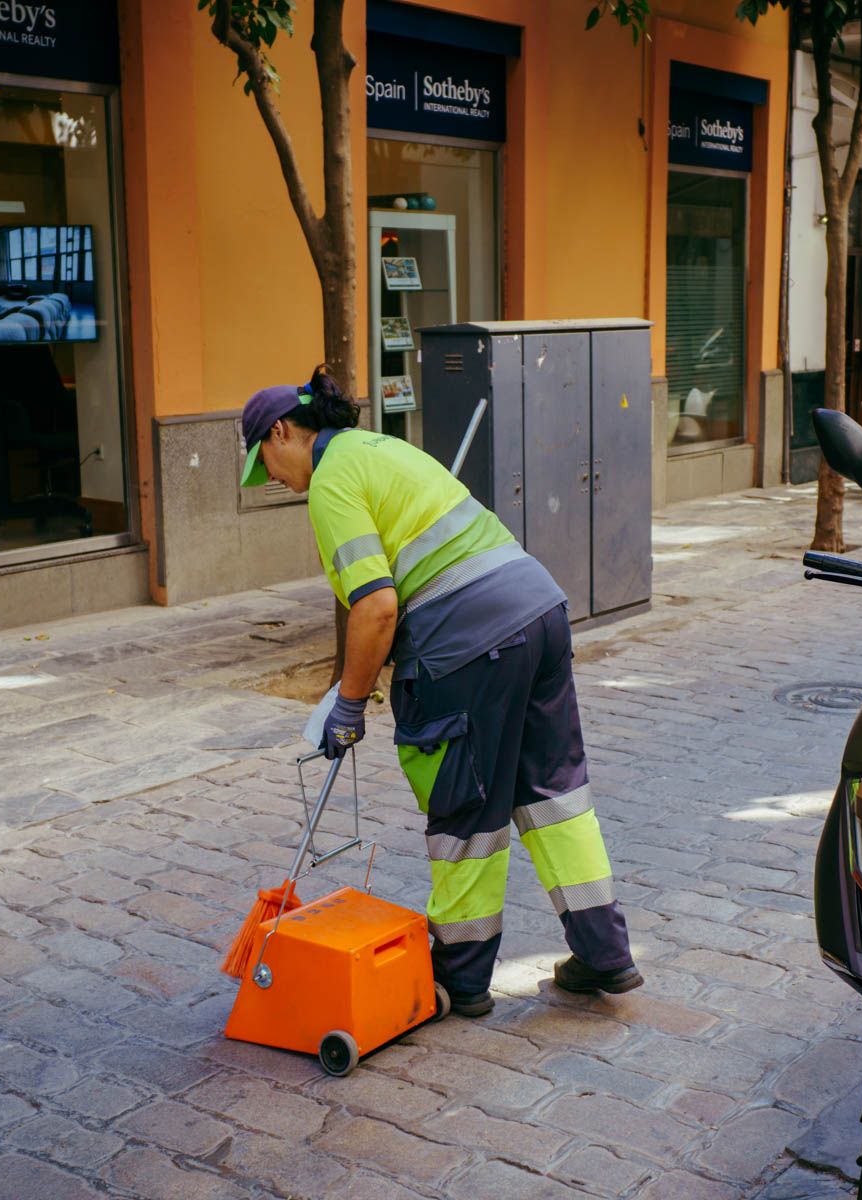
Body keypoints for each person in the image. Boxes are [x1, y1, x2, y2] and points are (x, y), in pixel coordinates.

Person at [238, 367, 640, 1018]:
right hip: (539, 614)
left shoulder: (331, 482)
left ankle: (462, 977)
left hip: (467, 649)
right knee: (554, 794)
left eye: (267, 462)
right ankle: (606, 952)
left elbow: (376, 607)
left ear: (283, 432)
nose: (275, 480)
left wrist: (348, 703)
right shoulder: (380, 448)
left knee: (465, 812)